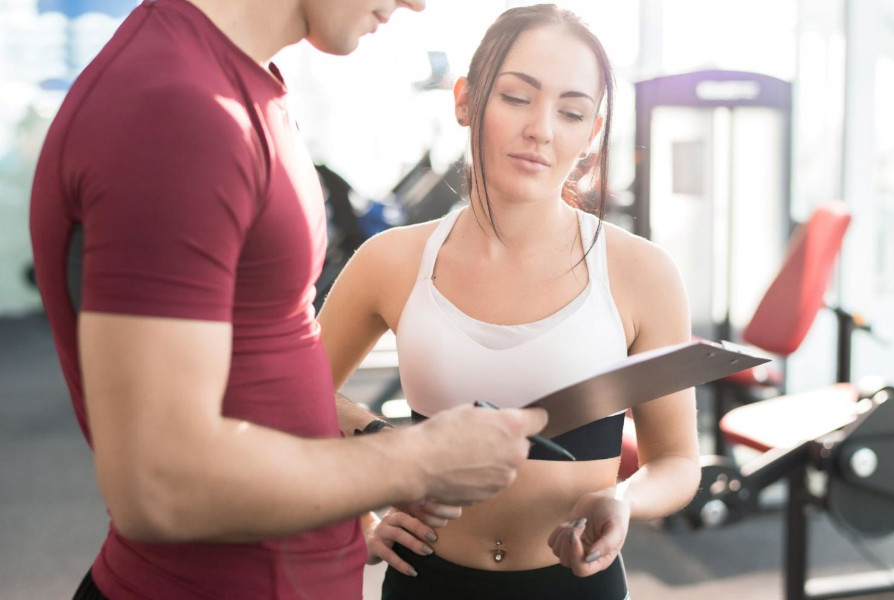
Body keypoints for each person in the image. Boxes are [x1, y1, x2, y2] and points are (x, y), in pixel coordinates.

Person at [28, 0, 549, 598]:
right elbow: (159, 483)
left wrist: (372, 463)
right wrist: (418, 462)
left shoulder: (243, 87)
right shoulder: (176, 107)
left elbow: (264, 370)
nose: (418, 3)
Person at [318, 4, 702, 599]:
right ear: (466, 100)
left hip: (576, 585)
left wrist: (622, 499)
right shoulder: (391, 261)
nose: (542, 130)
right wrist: (364, 498)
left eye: (571, 111)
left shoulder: (641, 272)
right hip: (425, 580)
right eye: (518, 98)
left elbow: (677, 460)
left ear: (591, 132)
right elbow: (292, 391)